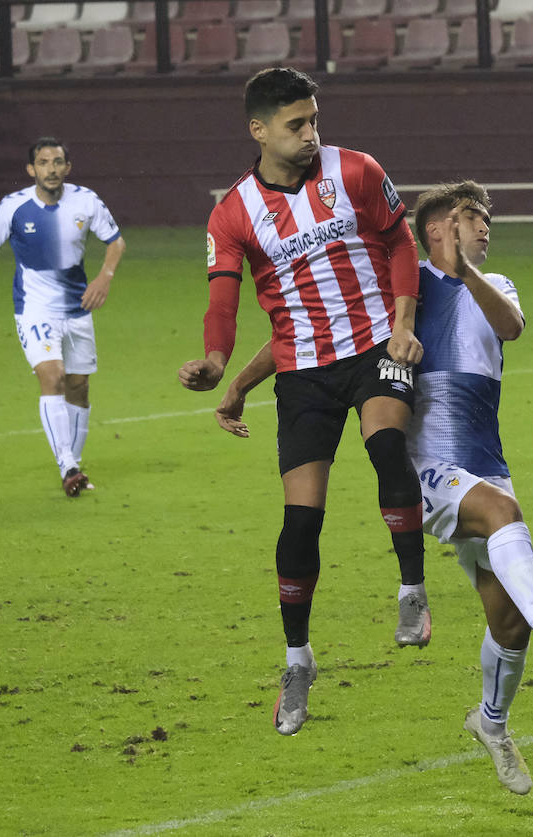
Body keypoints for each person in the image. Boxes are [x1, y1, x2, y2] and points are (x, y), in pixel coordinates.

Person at [213, 181, 533, 794]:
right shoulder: (399, 287)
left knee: (507, 623)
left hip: (483, 462)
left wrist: (469, 270)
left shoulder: (495, 284)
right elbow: (312, 335)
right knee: (504, 515)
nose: (485, 230)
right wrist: (241, 381)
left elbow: (512, 326)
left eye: (485, 223)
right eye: (474, 219)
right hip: (424, 471)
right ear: (438, 226)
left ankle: (492, 723)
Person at [176, 67, 428, 736]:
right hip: (305, 373)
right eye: (297, 125)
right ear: (259, 131)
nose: (311, 133)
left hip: (377, 345)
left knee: (387, 446)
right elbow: (224, 303)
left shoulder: (356, 171)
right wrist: (218, 364)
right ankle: (297, 659)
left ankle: (411, 590)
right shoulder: (232, 214)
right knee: (300, 523)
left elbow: (402, 241)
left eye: (314, 119)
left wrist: (404, 324)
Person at [0, 137, 126, 497]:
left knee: (79, 386)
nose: (51, 169)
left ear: (67, 168)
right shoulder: (14, 207)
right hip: (35, 308)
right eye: (43, 163)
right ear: (32, 170)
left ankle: (72, 461)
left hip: (78, 308)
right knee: (52, 376)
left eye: (58, 162)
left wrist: (105, 276)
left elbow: (115, 241)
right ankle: (68, 466)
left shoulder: (85, 201)